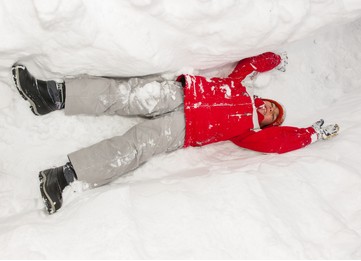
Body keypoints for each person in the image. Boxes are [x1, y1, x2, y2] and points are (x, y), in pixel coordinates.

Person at [11, 52, 339, 214]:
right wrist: (275, 59)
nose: (268, 111)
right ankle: (51, 94)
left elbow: (276, 143)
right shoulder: (239, 88)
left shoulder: (249, 131)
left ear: (268, 124)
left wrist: (309, 134)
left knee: (133, 148)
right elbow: (251, 65)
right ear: (264, 99)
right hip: (179, 94)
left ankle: (64, 177)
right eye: (271, 106)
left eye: (273, 117)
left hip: (183, 129)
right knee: (121, 95)